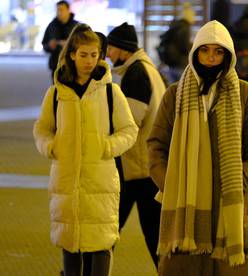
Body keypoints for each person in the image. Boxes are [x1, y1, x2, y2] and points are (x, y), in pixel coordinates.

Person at [147, 20, 248, 275]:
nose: (211, 58)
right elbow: (156, 146)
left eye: (218, 51)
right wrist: (171, 184)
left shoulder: (244, 94)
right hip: (185, 206)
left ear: (228, 54)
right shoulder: (174, 95)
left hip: (232, 204)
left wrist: (238, 181)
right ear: (195, 52)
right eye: (205, 50)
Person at [33, 24, 138, 276]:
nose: (89, 61)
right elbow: (42, 129)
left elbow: (129, 130)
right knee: (70, 246)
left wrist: (108, 146)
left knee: (101, 246)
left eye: (94, 55)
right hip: (66, 180)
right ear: (71, 54)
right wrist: (51, 146)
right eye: (83, 55)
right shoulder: (56, 93)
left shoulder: (111, 92)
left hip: (100, 180)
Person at [106, 22, 166, 268]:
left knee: (109, 226)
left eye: (110, 48)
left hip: (137, 166)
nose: (107, 54)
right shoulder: (147, 69)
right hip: (145, 164)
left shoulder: (136, 73)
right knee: (150, 233)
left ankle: (85, 269)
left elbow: (129, 122)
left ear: (122, 49)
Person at [157, 2, 195, 84]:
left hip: (171, 62)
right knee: (181, 88)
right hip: (180, 63)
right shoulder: (185, 27)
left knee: (173, 87)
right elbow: (184, 46)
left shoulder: (176, 25)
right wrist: (192, 45)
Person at [41, 0, 78, 80]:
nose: (59, 12)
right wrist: (50, 46)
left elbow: (84, 44)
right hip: (56, 65)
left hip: (73, 66)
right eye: (57, 10)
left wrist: (69, 44)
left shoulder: (76, 26)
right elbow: (44, 44)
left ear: (68, 10)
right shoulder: (52, 26)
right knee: (57, 90)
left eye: (61, 9)